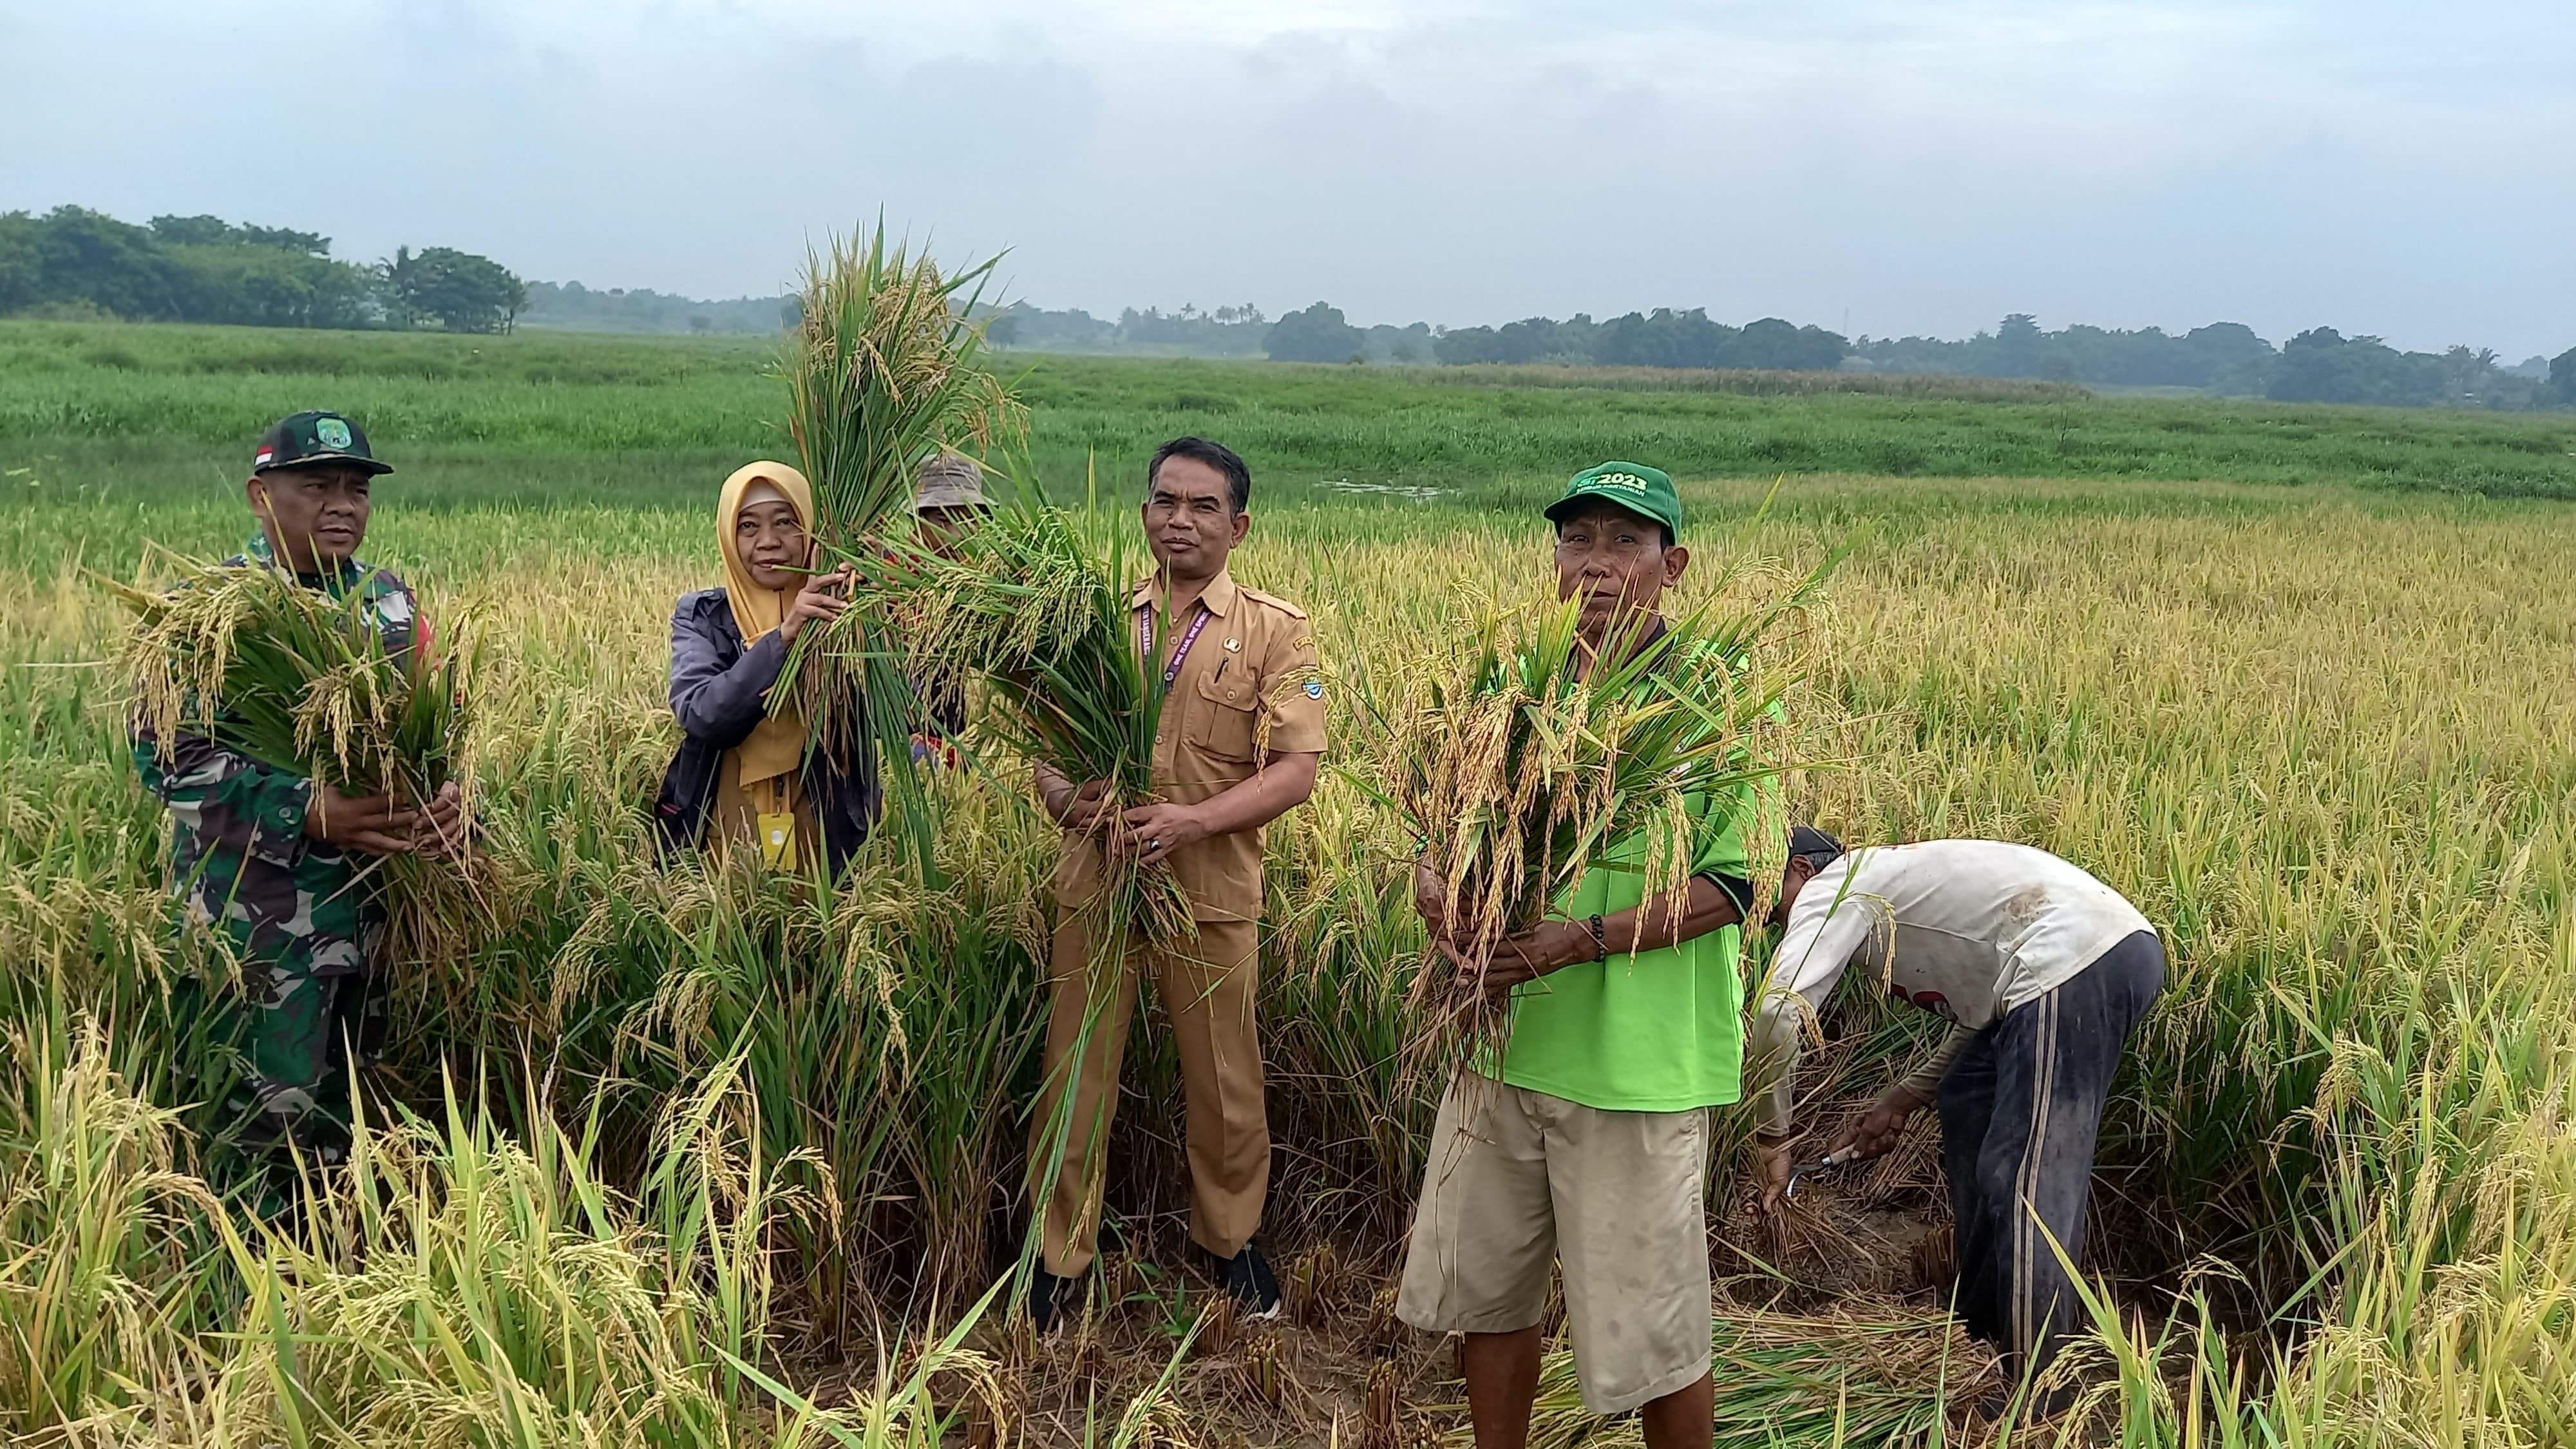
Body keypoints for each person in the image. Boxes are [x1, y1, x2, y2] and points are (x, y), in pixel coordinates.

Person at [1399, 462, 1759, 1449]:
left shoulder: (1719, 704)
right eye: (1577, 540)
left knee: (1658, 1336)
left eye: (1624, 543)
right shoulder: (1510, 683)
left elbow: (1732, 885)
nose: (1596, 565)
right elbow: (1439, 823)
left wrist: (1570, 943)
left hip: (1634, 1074)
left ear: (1672, 564)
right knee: (1489, 1297)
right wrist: (1436, 884)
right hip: (1499, 1048)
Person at [1026, 436, 1325, 1329]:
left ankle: (1230, 1241)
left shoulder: (1277, 629)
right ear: (1144, 511)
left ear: (1238, 525)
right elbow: (1044, 754)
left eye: (1201, 507)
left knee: (1226, 1078)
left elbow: (1295, 769)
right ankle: (1058, 1254)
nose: (1178, 519)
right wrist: (1080, 804)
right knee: (1075, 1072)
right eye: (1164, 501)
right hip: (1099, 883)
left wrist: (1192, 820)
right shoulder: (1095, 621)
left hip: (1210, 890)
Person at [135, 410, 464, 1213]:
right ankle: (242, 1295)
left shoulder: (387, 601)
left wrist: (451, 799)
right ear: (260, 494)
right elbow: (166, 758)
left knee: (349, 1117)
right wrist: (309, 810)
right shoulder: (210, 612)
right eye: (315, 486)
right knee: (252, 1121)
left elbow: (430, 732)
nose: (341, 504)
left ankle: (333, 1285)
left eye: (355, 489)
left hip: (374, 915)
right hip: (258, 922)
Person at [1747, 833, 2166, 1406]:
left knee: (2026, 1181)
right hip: (2075, 960)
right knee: (1966, 1092)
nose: (1778, 924)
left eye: (1773, 907)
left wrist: (1773, 1134)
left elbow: (1778, 1010)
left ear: (1800, 868)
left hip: (2074, 961)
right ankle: (1982, 1328)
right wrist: (1899, 1099)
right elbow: (1985, 1012)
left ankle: (2041, 1394)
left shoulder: (1834, 885)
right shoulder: (1884, 884)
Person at [654, 460, 878, 876]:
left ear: (811, 530)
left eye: (786, 523)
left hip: (824, 822)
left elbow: (902, 717)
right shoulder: (703, 617)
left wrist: (872, 618)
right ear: (727, 535)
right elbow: (703, 713)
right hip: (725, 820)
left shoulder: (845, 612)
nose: (769, 542)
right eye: (748, 527)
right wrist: (785, 637)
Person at [909, 451, 990, 752]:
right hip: (903, 734)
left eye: (969, 520)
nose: (957, 535)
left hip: (956, 733)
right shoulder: (888, 578)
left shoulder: (984, 581)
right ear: (918, 520)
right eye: (944, 520)